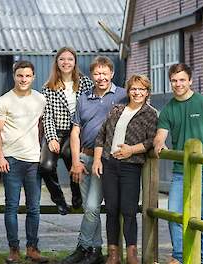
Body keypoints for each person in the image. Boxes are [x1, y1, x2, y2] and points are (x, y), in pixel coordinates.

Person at [153, 63, 203, 264]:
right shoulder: (167, 110)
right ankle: (180, 258)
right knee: (174, 214)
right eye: (174, 80)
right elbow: (160, 136)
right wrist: (160, 143)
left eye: (182, 79)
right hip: (180, 171)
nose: (178, 84)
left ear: (190, 80)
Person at [61, 56, 127, 264]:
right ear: (91, 76)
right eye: (97, 74)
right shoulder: (83, 98)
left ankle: (82, 246)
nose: (101, 78)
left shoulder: (123, 96)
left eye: (104, 73)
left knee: (91, 206)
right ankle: (95, 250)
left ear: (112, 74)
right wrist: (75, 161)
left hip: (105, 160)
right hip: (83, 158)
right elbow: (75, 132)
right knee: (92, 209)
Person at [92, 74, 158, 264]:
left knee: (129, 210)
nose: (137, 92)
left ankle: (131, 254)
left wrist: (131, 150)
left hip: (131, 166)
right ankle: (113, 253)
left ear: (147, 92)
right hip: (109, 164)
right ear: (128, 91)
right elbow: (101, 136)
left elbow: (151, 140)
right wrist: (97, 160)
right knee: (111, 209)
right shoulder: (117, 109)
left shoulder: (150, 113)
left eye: (141, 89)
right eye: (133, 89)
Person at [0, 60, 48, 263]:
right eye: (20, 75)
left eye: (27, 76)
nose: (23, 79)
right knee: (11, 207)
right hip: (11, 160)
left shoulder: (40, 100)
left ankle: (32, 248)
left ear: (33, 77)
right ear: (14, 76)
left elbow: (43, 126)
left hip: (34, 161)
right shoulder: (4, 101)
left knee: (34, 207)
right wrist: (0, 156)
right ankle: (13, 249)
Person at [40, 47, 94, 215]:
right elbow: (47, 115)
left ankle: (77, 194)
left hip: (76, 132)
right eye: (62, 59)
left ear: (75, 62)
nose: (66, 62)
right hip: (56, 131)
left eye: (70, 59)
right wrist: (51, 138)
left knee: (74, 161)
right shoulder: (48, 87)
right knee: (46, 166)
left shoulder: (85, 83)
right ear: (57, 62)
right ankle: (59, 199)